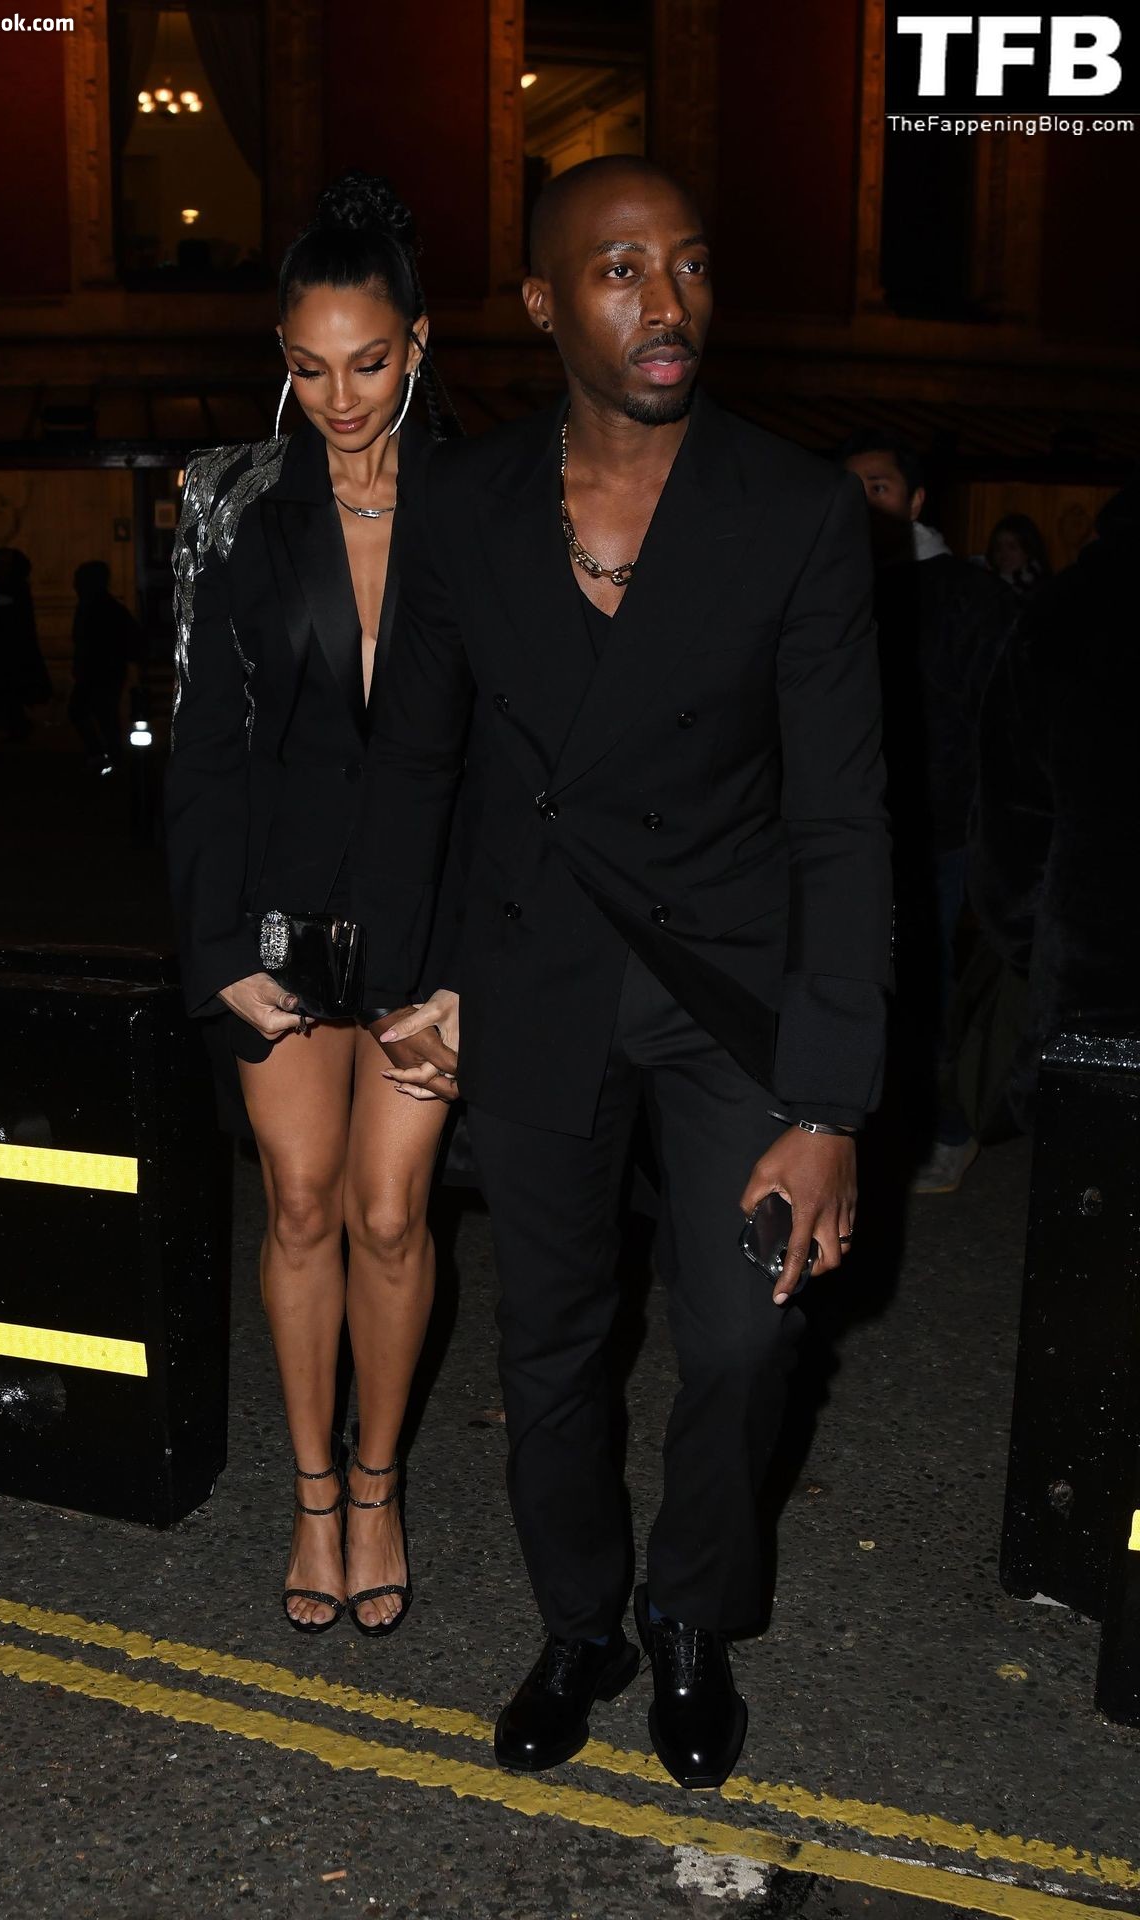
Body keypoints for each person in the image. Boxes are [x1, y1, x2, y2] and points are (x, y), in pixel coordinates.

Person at [351, 156, 891, 1787]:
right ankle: (581, 1623)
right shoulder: (463, 506)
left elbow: (844, 820)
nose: (670, 305)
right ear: (540, 303)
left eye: (693, 266)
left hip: (732, 996)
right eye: (621, 270)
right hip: (536, 978)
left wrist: (829, 1100)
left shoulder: (795, 513)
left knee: (744, 1340)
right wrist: (408, 977)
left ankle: (688, 1614)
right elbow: (415, 762)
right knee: (553, 1346)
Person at [165, 171, 465, 1639]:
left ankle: (380, 1482)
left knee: (390, 1214)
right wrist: (216, 946)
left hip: (427, 927)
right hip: (277, 921)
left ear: (418, 344)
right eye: (308, 366)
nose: (340, 399)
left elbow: (513, 753)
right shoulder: (234, 506)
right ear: (279, 359)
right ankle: (309, 1496)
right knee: (297, 1204)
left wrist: (468, 965)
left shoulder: (487, 501)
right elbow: (203, 746)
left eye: (368, 362)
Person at [838, 432, 1016, 1193]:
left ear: (914, 501)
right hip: (842, 827)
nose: (862, 503)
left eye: (878, 487)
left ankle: (945, 1127)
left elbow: (1002, 718)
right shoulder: (830, 580)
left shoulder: (967, 595)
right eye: (849, 489)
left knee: (922, 983)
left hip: (935, 832)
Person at [970, 479, 1140, 1127]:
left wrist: (1031, 942)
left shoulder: (1061, 612)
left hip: (1096, 977)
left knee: (1095, 1164)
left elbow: (1010, 815)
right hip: (1092, 969)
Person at [69, 560, 144, 772]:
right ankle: (109, 755)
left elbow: (88, 641)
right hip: (105, 670)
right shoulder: (103, 606)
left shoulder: (97, 608)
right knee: (102, 714)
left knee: (92, 713)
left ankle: (106, 755)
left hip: (101, 670)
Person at [0, 546, 52, 742]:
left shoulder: (10, 585)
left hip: (9, 648)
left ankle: (18, 728)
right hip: (12, 646)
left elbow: (3, 611)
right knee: (11, 690)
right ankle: (18, 727)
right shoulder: (13, 585)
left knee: (9, 689)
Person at [983, 511, 1050, 602]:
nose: (1004, 553)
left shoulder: (1046, 591)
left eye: (1012, 547)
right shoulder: (983, 586)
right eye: (998, 547)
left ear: (1028, 551)